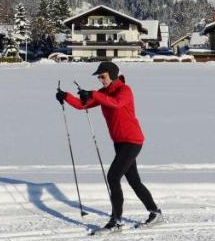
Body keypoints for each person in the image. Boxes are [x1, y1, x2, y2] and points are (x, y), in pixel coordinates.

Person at [55, 60, 162, 231]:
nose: (101, 80)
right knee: (133, 180)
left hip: (132, 141)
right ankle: (155, 212)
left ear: (112, 75)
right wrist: (66, 96)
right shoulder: (103, 93)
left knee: (113, 177)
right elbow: (83, 105)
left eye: (103, 76)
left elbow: (116, 103)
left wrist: (93, 94)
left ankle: (116, 221)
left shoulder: (124, 90)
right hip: (119, 142)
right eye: (99, 77)